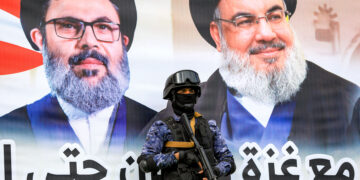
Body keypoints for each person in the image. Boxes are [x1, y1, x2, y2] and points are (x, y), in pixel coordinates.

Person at [150, 0, 360, 152]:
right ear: (217, 35)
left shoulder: (348, 103)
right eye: (245, 21)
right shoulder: (177, 120)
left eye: (275, 16)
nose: (267, 34)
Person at [0, 0, 156, 155]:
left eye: (103, 27)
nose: (88, 41)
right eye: (68, 25)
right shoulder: (6, 130)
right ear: (40, 39)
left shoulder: (156, 125)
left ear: (124, 42)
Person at [137, 70, 235, 180]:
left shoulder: (210, 127)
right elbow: (145, 163)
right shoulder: (161, 127)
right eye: (183, 91)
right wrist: (179, 156)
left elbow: (229, 161)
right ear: (172, 95)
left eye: (191, 90)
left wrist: (215, 171)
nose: (188, 94)